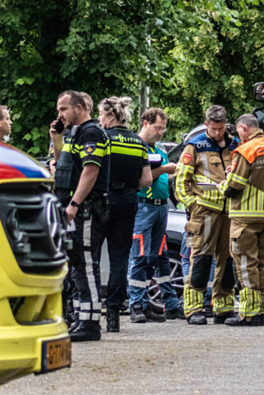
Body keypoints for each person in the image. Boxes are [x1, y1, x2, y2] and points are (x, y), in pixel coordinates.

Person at [51, 91, 109, 342]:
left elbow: (90, 170)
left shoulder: (91, 133)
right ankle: (80, 318)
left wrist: (75, 203)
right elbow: (61, 166)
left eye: (63, 109)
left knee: (85, 263)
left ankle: (90, 323)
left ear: (79, 107)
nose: (60, 115)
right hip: (71, 209)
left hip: (85, 209)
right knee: (76, 265)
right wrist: (56, 138)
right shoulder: (74, 133)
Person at [217, 114, 264, 326]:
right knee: (260, 265)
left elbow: (234, 186)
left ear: (244, 128)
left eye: (238, 130)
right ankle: (260, 310)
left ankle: (249, 314)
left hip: (244, 215)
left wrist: (223, 185)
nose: (237, 135)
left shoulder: (245, 151)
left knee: (245, 266)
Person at [174, 105, 239, 325]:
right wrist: (192, 205)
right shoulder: (195, 146)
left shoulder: (235, 145)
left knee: (228, 261)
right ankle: (193, 308)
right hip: (204, 213)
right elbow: (181, 181)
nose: (218, 133)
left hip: (230, 212)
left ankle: (223, 307)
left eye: (221, 128)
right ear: (206, 125)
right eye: (214, 129)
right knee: (201, 260)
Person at [96, 96, 152, 333]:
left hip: (101, 201)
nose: (98, 120)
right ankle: (113, 316)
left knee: (92, 256)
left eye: (100, 115)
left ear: (110, 116)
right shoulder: (138, 143)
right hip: (128, 201)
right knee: (120, 259)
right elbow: (147, 180)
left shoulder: (101, 138)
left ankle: (88, 309)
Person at [128, 107, 185, 323]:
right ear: (145, 123)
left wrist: (174, 173)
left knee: (161, 257)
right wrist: (165, 170)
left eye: (163, 128)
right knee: (141, 256)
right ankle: (137, 304)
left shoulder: (159, 149)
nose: (160, 132)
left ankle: (170, 304)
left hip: (161, 207)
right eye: (157, 128)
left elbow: (162, 177)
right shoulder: (136, 146)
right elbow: (143, 177)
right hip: (144, 206)